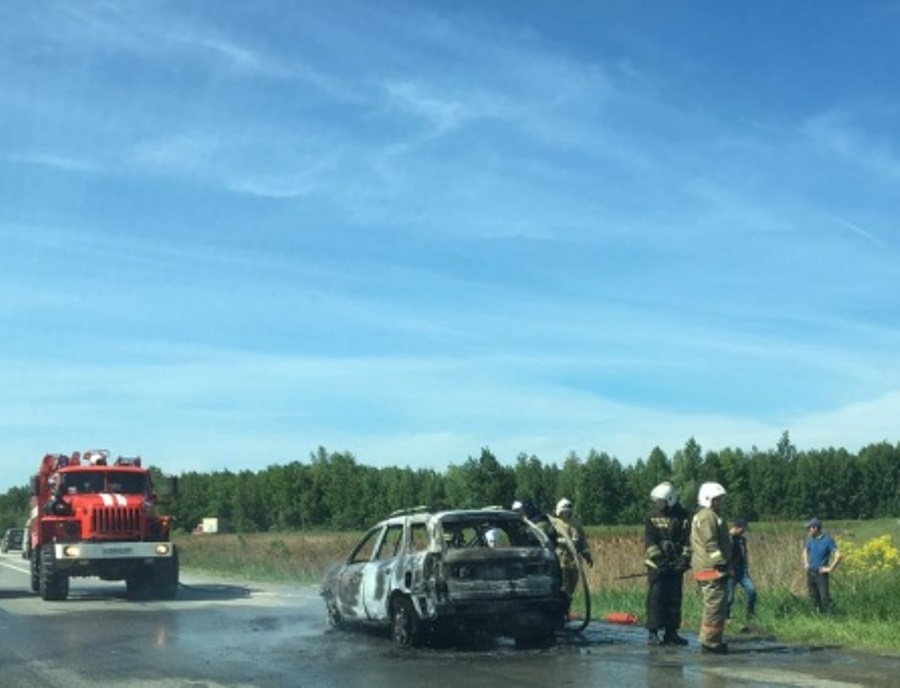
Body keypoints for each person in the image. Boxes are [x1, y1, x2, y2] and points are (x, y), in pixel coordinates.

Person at [644, 481, 691, 646]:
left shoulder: (684, 516)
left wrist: (684, 561)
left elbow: (688, 540)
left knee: (674, 598)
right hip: (656, 565)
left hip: (676, 564)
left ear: (670, 499)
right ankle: (653, 632)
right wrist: (660, 560)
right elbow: (650, 541)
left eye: (661, 501)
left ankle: (672, 633)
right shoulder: (651, 516)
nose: (658, 504)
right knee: (656, 598)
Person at [690, 481, 732, 654]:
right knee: (714, 606)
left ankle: (711, 640)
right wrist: (721, 562)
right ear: (708, 499)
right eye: (717, 499)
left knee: (714, 605)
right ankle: (711, 643)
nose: (720, 502)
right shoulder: (707, 516)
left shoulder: (706, 515)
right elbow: (710, 543)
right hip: (711, 570)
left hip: (708, 568)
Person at [553, 498, 594, 599]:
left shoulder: (576, 523)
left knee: (572, 585)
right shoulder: (554, 523)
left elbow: (582, 540)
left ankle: (568, 606)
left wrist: (586, 554)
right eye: (564, 511)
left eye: (568, 511)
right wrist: (563, 541)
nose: (566, 513)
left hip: (574, 560)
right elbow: (551, 539)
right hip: (560, 559)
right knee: (563, 585)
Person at [802, 517, 842, 614]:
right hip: (811, 572)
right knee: (813, 597)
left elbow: (838, 555)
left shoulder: (827, 540)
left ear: (815, 528)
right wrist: (806, 563)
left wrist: (830, 569)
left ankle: (833, 616)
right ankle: (816, 616)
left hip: (821, 574)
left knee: (824, 597)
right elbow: (805, 551)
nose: (808, 530)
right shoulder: (810, 540)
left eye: (809, 528)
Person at [726, 517, 757, 630]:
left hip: (742, 570)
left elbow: (745, 554)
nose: (743, 531)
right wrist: (729, 569)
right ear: (737, 527)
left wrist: (746, 567)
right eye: (742, 529)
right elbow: (725, 555)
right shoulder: (727, 538)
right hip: (730, 570)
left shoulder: (742, 540)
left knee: (751, 591)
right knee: (729, 597)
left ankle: (750, 615)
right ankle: (726, 617)